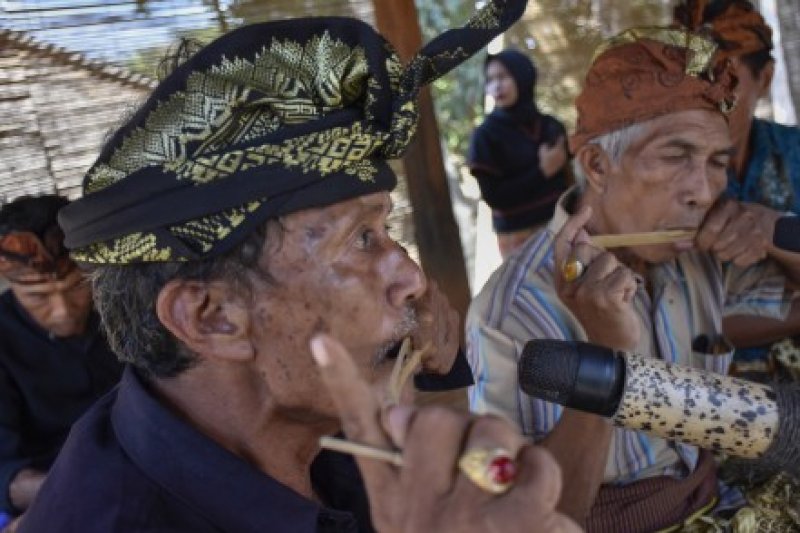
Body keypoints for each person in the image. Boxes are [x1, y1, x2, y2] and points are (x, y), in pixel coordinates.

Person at [16, 4, 578, 532]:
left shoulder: (322, 428)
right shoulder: (111, 518)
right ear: (211, 317)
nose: (412, 279)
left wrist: (434, 403)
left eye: (386, 232)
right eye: (360, 240)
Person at [467, 26, 800, 531]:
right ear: (598, 165)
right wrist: (602, 362)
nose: (704, 191)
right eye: (675, 156)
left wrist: (776, 231)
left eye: (715, 163)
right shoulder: (508, 313)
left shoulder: (695, 256)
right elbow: (528, 519)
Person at [674, 0, 800, 379]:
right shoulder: (658, 173)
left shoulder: (793, 153)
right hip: (693, 393)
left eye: (723, 80)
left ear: (764, 79)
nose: (705, 98)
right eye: (692, 80)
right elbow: (674, 322)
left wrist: (771, 229)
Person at [0, 195, 123, 527]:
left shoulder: (125, 306)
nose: (63, 310)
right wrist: (83, 488)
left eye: (77, 286)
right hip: (56, 486)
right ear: (10, 285)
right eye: (38, 297)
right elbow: (5, 475)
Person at [467, 49, 569, 259]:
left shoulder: (551, 126)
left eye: (503, 77)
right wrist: (542, 172)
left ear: (523, 77)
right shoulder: (485, 136)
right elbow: (494, 197)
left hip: (564, 227)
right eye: (490, 79)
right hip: (518, 239)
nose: (496, 85)